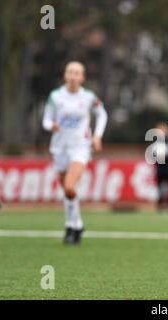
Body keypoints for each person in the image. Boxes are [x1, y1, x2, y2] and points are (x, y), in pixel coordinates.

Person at [42, 61, 108, 245]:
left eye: (77, 73)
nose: (73, 76)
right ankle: (74, 225)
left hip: (80, 147)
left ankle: (73, 226)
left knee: (70, 186)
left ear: (82, 77)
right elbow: (46, 119)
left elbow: (102, 114)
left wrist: (97, 136)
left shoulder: (88, 97)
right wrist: (51, 125)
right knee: (67, 191)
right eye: (70, 72)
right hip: (59, 147)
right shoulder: (55, 96)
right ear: (65, 75)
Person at [153, 122, 168, 212]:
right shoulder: (156, 141)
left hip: (166, 167)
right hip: (159, 167)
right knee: (159, 186)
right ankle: (160, 203)